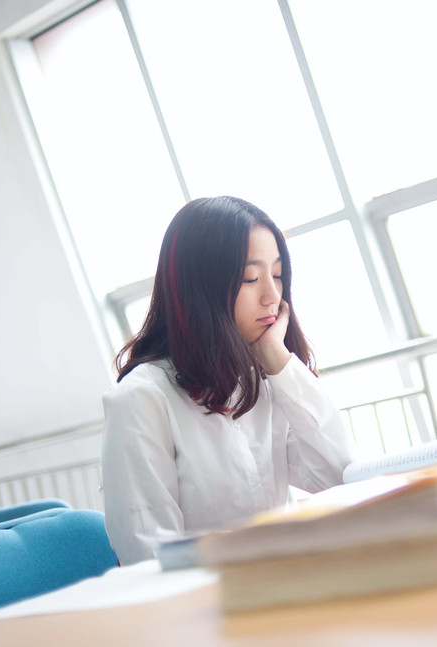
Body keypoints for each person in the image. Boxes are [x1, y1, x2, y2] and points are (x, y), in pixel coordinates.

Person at [101, 196, 356, 565]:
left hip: (289, 582)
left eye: (278, 275)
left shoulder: (264, 379)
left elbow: (338, 475)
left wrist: (279, 361)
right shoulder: (142, 399)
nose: (272, 295)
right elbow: (151, 556)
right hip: (213, 607)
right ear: (200, 288)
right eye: (250, 278)